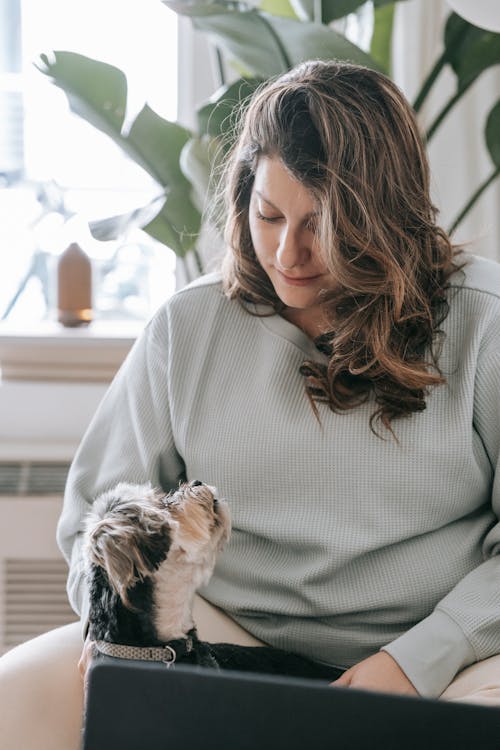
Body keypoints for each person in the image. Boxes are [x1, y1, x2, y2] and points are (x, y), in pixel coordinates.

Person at [1, 59, 500, 750]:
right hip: (223, 644)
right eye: (269, 216)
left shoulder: (485, 320)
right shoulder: (188, 326)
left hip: (442, 653)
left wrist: (413, 662)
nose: (288, 253)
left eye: (320, 225)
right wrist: (125, 632)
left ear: (383, 217)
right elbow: (94, 513)